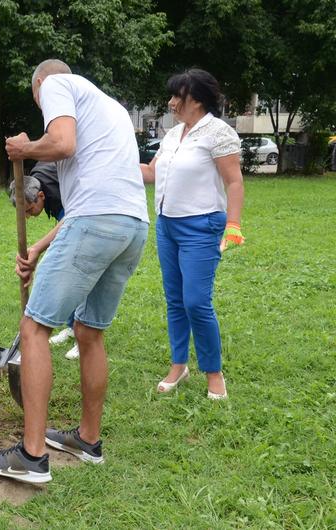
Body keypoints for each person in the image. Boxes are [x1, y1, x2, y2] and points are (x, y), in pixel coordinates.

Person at [0, 59, 149, 483]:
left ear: (38, 85)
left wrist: (25, 148)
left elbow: (62, 144)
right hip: (131, 226)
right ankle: (88, 439)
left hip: (95, 221)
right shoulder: (110, 107)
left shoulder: (56, 85)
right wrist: (37, 248)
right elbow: (93, 197)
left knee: (34, 327)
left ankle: (31, 457)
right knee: (89, 332)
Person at [140, 69, 244, 400]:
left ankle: (214, 373)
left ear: (196, 100)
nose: (170, 103)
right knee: (175, 300)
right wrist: (113, 159)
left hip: (202, 226)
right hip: (167, 225)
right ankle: (178, 365)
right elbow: (152, 173)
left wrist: (234, 224)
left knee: (196, 301)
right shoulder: (174, 135)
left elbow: (234, 182)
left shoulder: (218, 133)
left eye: (176, 97)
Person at [7, 162, 78, 358]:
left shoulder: (56, 193)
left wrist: (38, 247)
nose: (27, 217)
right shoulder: (36, 178)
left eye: (29, 210)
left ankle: (83, 335)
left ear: (41, 196)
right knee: (68, 269)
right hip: (70, 210)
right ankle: (72, 327)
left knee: (76, 269)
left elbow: (71, 219)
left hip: (91, 212)